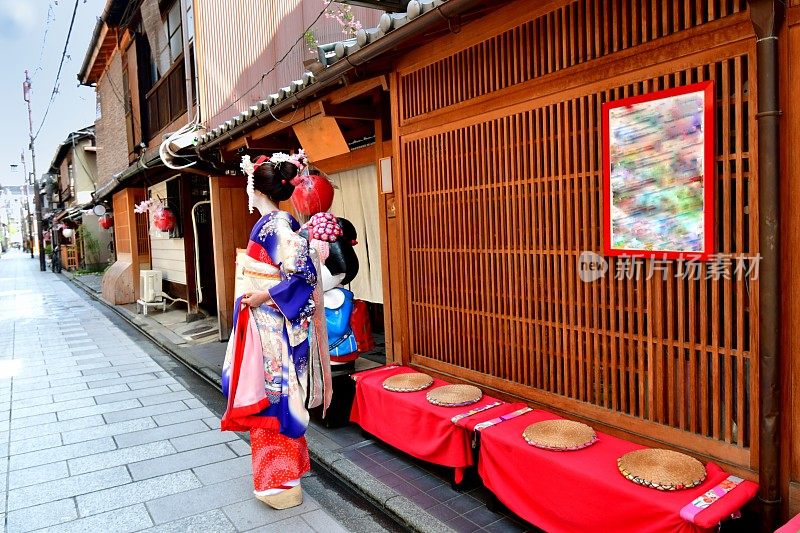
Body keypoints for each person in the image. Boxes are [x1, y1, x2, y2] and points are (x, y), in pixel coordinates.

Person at [220, 153, 331, 510]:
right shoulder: (275, 224)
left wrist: (265, 294)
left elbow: (302, 274)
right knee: (276, 397)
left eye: (247, 187)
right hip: (265, 323)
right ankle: (284, 478)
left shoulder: (275, 225)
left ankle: (280, 483)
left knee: (274, 399)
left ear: (255, 188)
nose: (246, 194)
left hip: (271, 328)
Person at [300, 213, 360, 365]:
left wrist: (314, 317)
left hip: (338, 349)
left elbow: (338, 327)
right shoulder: (319, 294)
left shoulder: (339, 297)